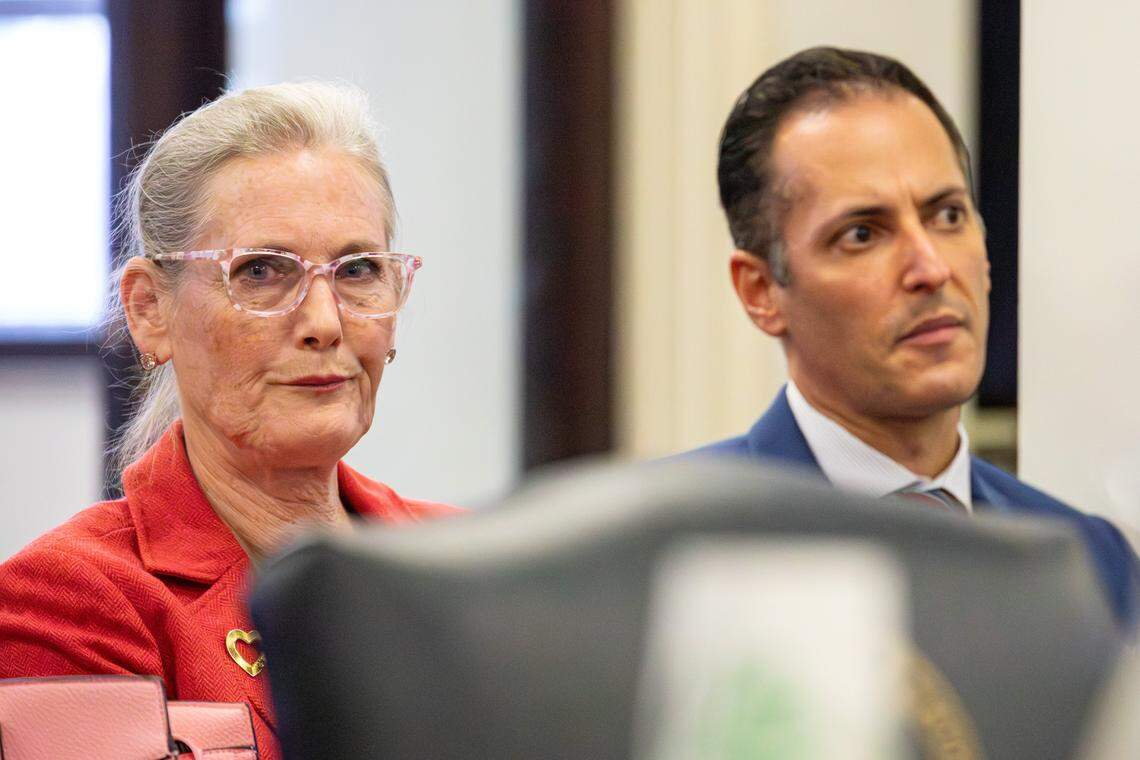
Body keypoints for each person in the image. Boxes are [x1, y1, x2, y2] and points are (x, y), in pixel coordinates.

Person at [0, 81, 456, 759]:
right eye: (263, 273)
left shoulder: (460, 559)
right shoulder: (69, 600)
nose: (325, 323)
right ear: (150, 310)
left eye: (358, 270)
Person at [691, 46, 1138, 623]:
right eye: (861, 234)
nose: (931, 268)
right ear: (761, 291)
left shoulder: (1086, 561)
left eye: (947, 215)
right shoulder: (665, 552)